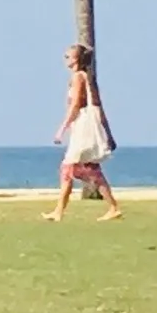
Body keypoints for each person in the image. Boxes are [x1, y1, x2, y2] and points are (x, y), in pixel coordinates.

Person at [48, 45, 121, 220]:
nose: (65, 59)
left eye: (68, 56)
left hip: (82, 127)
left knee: (70, 168)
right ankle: (112, 207)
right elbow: (97, 106)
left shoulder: (78, 78)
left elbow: (75, 106)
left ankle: (60, 211)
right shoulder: (85, 78)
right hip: (82, 126)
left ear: (76, 59)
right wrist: (108, 133)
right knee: (87, 169)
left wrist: (61, 129)